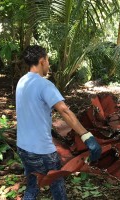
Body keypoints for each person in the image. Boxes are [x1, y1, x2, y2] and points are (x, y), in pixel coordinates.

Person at [15, 45, 102, 200]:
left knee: (32, 188)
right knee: (57, 189)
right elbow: (64, 111)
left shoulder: (22, 81)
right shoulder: (44, 85)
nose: (49, 64)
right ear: (41, 61)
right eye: (47, 60)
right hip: (42, 152)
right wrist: (87, 136)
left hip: (23, 148)